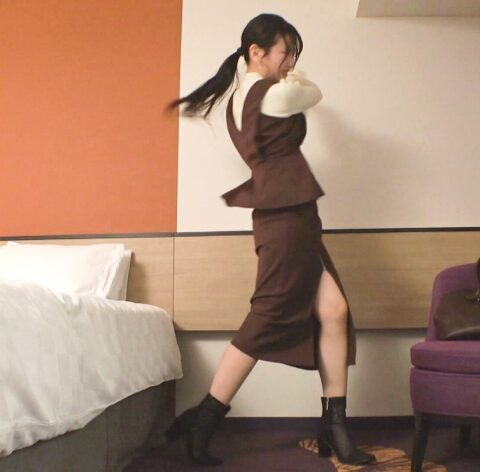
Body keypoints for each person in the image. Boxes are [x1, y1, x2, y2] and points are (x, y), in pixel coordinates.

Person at [166, 13, 375, 467]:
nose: (291, 62)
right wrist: (297, 79)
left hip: (291, 213)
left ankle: (334, 425)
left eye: (294, 54)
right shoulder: (269, 92)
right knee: (267, 316)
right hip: (285, 217)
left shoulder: (238, 99)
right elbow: (312, 94)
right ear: (255, 51)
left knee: (333, 310)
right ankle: (204, 418)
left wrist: (290, 74)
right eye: (286, 52)